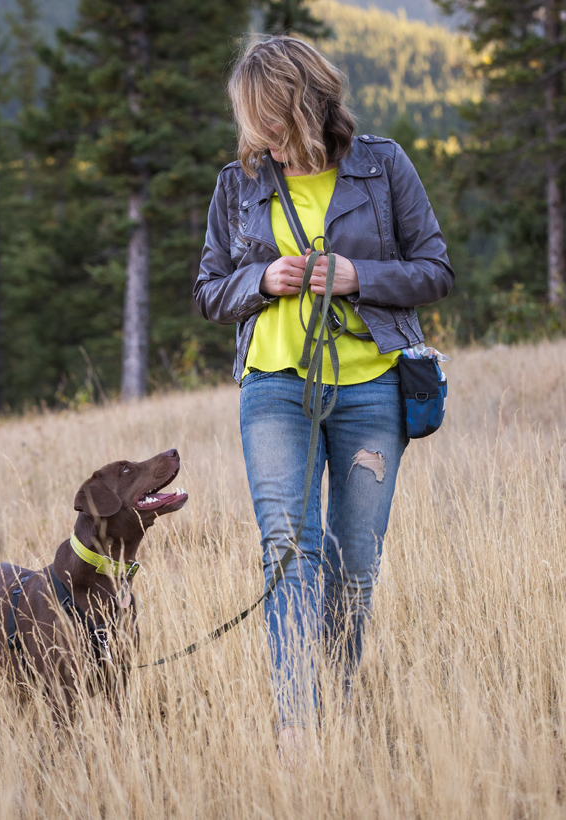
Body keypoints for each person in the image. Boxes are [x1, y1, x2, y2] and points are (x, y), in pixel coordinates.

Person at [194, 35, 454, 763]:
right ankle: (297, 729)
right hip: (275, 389)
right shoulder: (237, 183)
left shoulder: (384, 165)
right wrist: (261, 282)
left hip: (372, 389)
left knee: (354, 565)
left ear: (303, 106)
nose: (257, 138)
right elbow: (209, 289)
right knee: (287, 551)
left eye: (267, 121)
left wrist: (354, 276)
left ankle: (336, 710)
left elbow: (435, 269)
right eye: (249, 123)